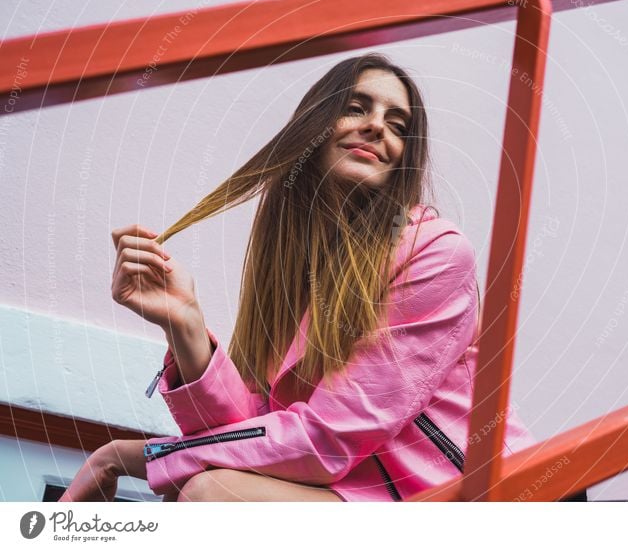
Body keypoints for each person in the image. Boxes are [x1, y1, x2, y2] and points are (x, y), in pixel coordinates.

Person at [59, 52, 536, 502]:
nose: (377, 127)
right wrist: (184, 324)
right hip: (365, 499)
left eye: (398, 126)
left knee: (213, 494)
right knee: (214, 490)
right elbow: (255, 434)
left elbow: (326, 440)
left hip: (468, 499)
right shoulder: (296, 276)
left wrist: (132, 456)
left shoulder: (436, 254)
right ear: (313, 127)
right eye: (356, 107)